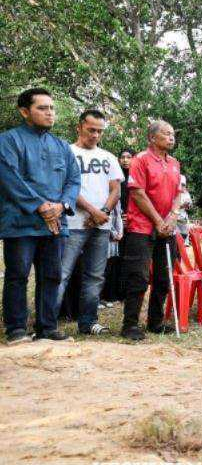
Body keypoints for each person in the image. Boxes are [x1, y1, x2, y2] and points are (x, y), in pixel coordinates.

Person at [0, 88, 81, 344]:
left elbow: (73, 179)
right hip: (20, 223)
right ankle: (16, 330)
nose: (50, 113)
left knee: (52, 276)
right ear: (25, 112)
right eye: (42, 108)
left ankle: (47, 328)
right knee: (17, 275)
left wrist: (62, 205)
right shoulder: (8, 140)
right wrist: (39, 206)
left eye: (52, 108)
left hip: (56, 223)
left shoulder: (61, 146)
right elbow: (9, 178)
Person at [57, 109, 123, 336]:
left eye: (99, 131)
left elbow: (116, 189)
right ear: (79, 127)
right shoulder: (67, 152)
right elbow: (66, 187)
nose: (95, 135)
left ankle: (88, 322)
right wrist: (93, 211)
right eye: (91, 129)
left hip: (100, 226)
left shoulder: (108, 157)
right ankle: (47, 324)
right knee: (61, 274)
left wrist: (102, 213)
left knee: (95, 277)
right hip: (72, 223)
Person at [120, 120, 184, 340]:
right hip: (142, 226)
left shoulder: (175, 162)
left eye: (172, 134)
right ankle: (129, 324)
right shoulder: (140, 159)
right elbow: (137, 193)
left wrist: (173, 216)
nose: (171, 137)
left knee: (163, 276)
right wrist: (158, 221)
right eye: (166, 134)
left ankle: (155, 322)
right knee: (138, 275)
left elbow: (179, 193)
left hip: (167, 226)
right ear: (152, 138)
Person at [118, 148, 134, 227]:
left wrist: (130, 215)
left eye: (128, 157)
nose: (125, 160)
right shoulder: (116, 177)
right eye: (122, 157)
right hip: (118, 215)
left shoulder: (138, 177)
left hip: (134, 216)